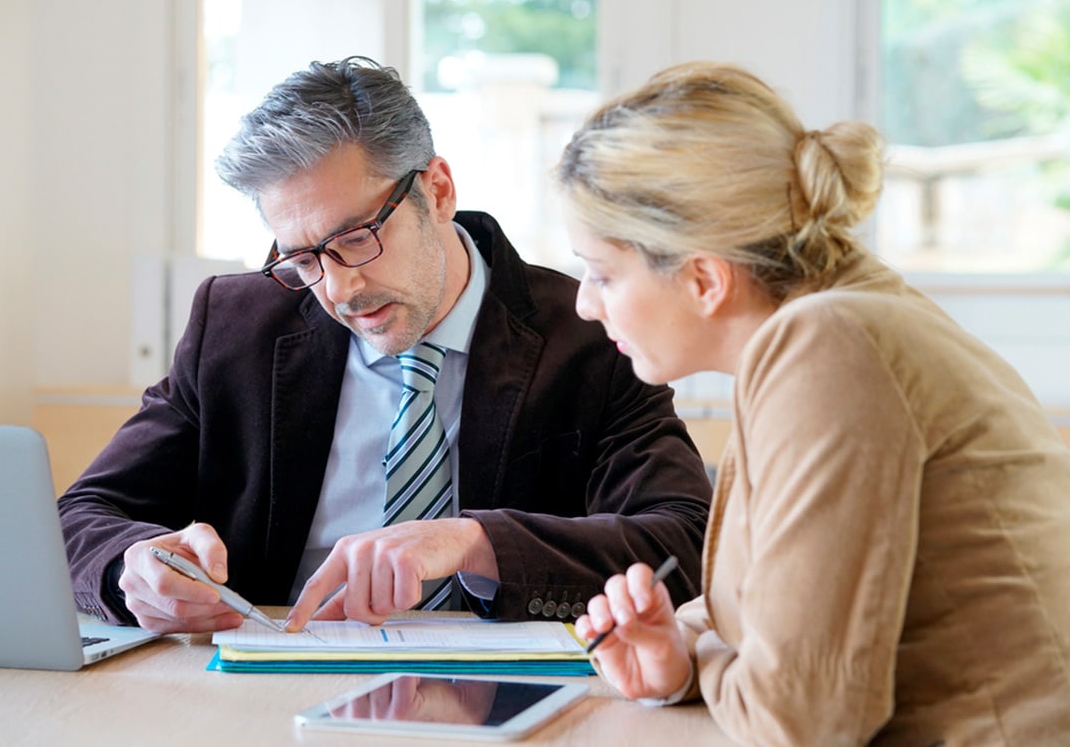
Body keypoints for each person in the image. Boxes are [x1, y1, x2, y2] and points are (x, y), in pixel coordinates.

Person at [57, 57, 713, 634]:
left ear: (438, 190)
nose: (339, 288)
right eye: (303, 257)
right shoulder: (235, 325)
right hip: (262, 684)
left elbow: (683, 544)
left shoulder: (591, 334)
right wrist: (129, 566)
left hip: (510, 692)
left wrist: (478, 543)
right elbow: (80, 515)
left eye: (357, 237)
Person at [559, 60, 1070, 745]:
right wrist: (677, 652)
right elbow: (779, 609)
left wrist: (705, 656)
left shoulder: (830, 346)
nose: (586, 306)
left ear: (705, 278)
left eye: (601, 274)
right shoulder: (824, 324)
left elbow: (805, 718)